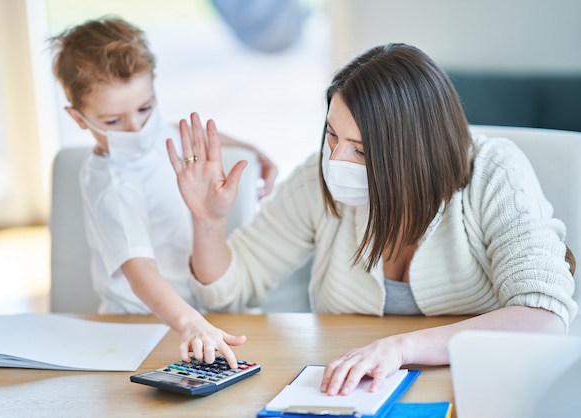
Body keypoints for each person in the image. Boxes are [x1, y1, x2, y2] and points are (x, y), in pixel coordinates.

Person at [167, 43, 578, 394]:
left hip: (481, 387)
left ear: (416, 151)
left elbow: (542, 319)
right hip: (357, 389)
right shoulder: (316, 179)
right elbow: (225, 293)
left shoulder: (493, 170)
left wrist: (400, 348)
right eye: (332, 134)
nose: (336, 160)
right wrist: (208, 222)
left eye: (360, 150)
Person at [48, 16, 278, 368]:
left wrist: (253, 151)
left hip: (193, 316)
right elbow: (141, 274)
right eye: (114, 121)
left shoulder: (153, 132)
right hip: (141, 327)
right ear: (79, 118)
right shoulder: (112, 187)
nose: (137, 128)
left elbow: (171, 130)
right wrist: (191, 323)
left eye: (145, 108)